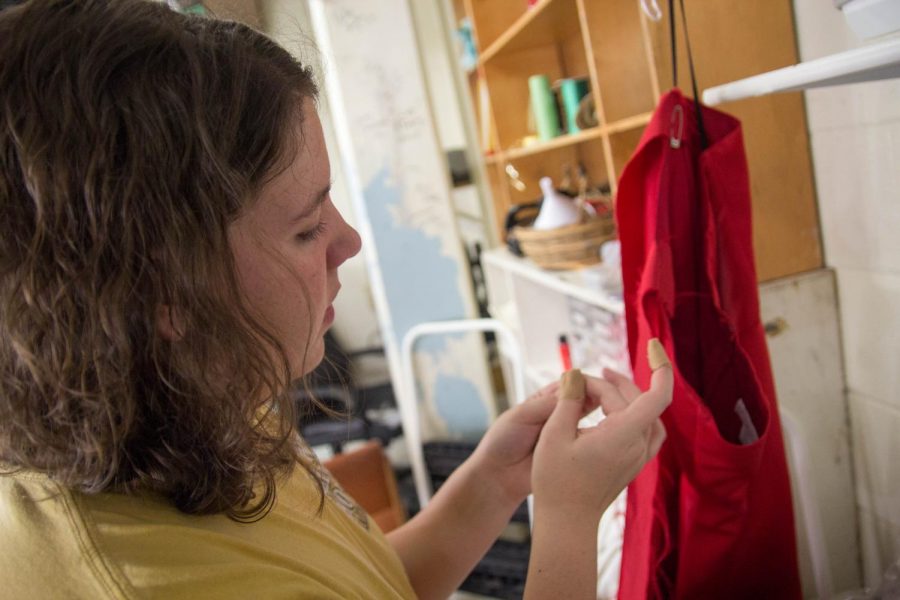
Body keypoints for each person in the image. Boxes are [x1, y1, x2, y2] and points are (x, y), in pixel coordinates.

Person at [0, 1, 673, 598]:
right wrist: (569, 520)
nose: (347, 240)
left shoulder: (208, 400)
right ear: (162, 292)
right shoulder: (149, 580)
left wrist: (491, 485)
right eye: (304, 227)